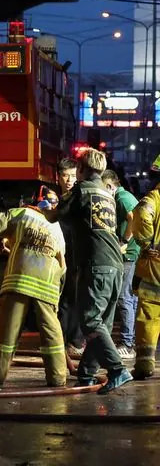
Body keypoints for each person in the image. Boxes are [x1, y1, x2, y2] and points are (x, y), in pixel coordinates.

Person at [55, 148, 132, 394]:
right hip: (115, 265)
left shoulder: (80, 190)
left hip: (96, 266)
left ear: (81, 169)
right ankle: (87, 374)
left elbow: (56, 216)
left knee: (90, 320)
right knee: (103, 324)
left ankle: (117, 370)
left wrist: (36, 211)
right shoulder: (107, 193)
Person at [0, 186, 67, 387]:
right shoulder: (57, 227)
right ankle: (58, 376)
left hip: (20, 281)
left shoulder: (23, 213)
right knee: (51, 331)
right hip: (48, 286)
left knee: (7, 329)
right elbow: (63, 265)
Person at [103, 170, 139, 361]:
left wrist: (124, 241)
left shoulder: (122, 198)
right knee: (129, 298)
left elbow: (134, 218)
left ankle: (127, 344)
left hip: (128, 254)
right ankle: (129, 340)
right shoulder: (125, 196)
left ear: (110, 186)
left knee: (123, 297)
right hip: (132, 254)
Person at [129, 165, 160, 380]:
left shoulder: (154, 198)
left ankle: (145, 364)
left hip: (155, 266)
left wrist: (146, 242)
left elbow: (141, 214)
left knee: (149, 313)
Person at [54, 157, 84, 362]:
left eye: (73, 175)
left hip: (77, 255)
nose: (69, 180)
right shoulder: (57, 199)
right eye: (65, 176)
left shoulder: (80, 197)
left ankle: (75, 341)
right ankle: (61, 342)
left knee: (74, 298)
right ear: (58, 177)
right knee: (61, 299)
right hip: (59, 255)